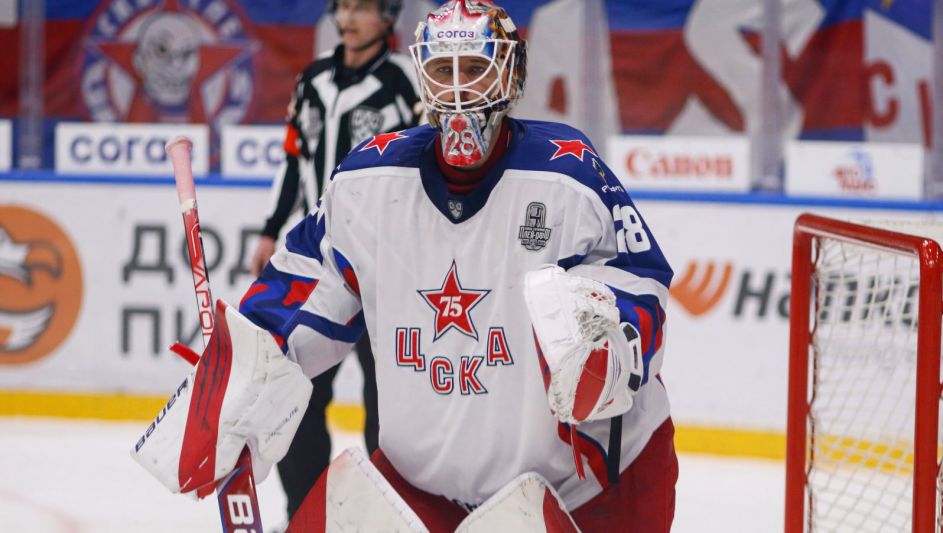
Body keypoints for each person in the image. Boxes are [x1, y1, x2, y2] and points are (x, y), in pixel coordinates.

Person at [134, 1, 676, 531]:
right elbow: (297, 294)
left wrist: (611, 340)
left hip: (587, 488)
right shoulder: (367, 184)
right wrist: (234, 380)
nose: (459, 89)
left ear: (510, 75)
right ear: (422, 76)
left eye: (475, 68)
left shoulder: (570, 174)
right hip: (422, 485)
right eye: (443, 70)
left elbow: (639, 279)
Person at [248, 0, 421, 521]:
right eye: (343, 6)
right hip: (320, 258)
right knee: (296, 393)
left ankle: (383, 517)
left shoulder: (406, 81)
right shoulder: (314, 78)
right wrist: (271, 228)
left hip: (387, 261)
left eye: (363, 8)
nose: (349, 18)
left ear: (388, 17)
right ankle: (305, 514)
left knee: (387, 401)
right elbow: (295, 158)